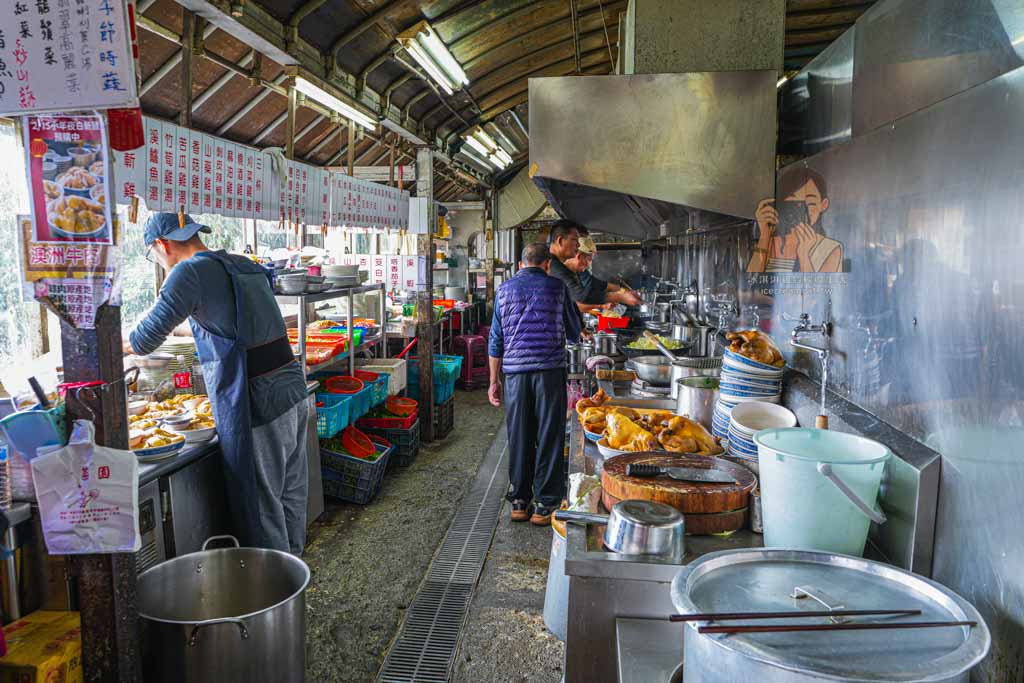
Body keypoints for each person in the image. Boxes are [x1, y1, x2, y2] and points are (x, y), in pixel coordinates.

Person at [124, 213, 309, 554]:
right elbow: (223, 325)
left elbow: (143, 341)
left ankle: (275, 593)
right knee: (291, 495)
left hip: (257, 400)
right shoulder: (242, 265)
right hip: (293, 389)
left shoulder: (187, 273)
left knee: (263, 505)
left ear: (161, 245)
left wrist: (119, 344)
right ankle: (295, 575)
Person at [487, 243, 581, 526]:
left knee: (519, 434)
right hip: (549, 372)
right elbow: (574, 331)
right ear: (547, 265)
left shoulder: (503, 291)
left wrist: (494, 381)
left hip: (515, 375)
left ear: (520, 265)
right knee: (549, 435)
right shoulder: (557, 287)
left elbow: (496, 340)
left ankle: (519, 500)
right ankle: (544, 504)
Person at [747, 167, 843, 273]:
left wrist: (804, 254)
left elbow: (820, 288)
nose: (802, 211)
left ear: (823, 205)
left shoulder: (830, 248)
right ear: (781, 205)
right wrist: (765, 234)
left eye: (810, 203)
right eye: (793, 204)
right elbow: (750, 281)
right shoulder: (770, 242)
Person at [548, 220, 642, 311]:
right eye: (575, 240)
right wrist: (621, 297)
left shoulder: (560, 266)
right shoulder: (552, 266)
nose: (578, 245)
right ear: (560, 241)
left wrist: (622, 292)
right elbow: (581, 296)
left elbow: (594, 285)